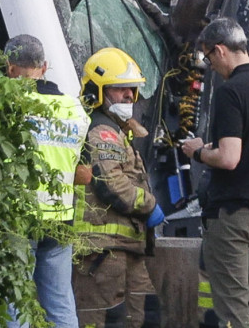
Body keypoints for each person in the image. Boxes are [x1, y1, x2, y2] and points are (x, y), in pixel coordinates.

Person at [180, 17, 249, 328]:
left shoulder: (231, 92)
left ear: (220, 50)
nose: (209, 65)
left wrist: (199, 151)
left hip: (233, 215)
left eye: (207, 57)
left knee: (233, 309)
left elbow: (229, 158)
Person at [72, 47, 164, 328]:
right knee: (104, 320)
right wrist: (150, 206)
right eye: (120, 89)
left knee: (145, 317)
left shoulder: (119, 130)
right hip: (102, 251)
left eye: (132, 90)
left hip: (125, 247)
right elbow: (111, 183)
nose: (129, 96)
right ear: (97, 92)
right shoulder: (103, 131)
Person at [4, 34, 89, 328]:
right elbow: (84, 172)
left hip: (18, 218)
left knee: (15, 305)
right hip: (59, 221)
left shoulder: (7, 103)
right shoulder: (76, 110)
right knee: (60, 303)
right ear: (45, 66)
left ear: (9, 67)